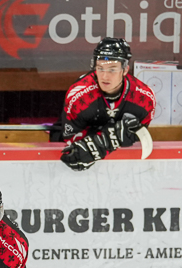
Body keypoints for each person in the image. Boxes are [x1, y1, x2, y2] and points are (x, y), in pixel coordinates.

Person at [60, 38, 155, 171]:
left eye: (112, 69)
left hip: (125, 170)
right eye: (100, 68)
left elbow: (136, 138)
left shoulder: (144, 99)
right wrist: (109, 139)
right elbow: (73, 148)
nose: (104, 76)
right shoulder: (79, 97)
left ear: (125, 69)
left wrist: (105, 141)